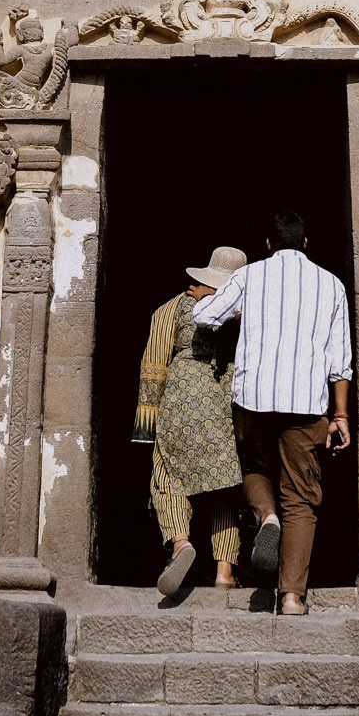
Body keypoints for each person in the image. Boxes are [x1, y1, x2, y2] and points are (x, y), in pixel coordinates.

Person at [193, 211, 352, 615]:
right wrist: (341, 416)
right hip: (307, 406)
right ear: (305, 242)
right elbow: (340, 362)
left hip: (254, 399)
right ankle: (293, 596)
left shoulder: (249, 278)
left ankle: (266, 516)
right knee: (301, 497)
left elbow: (204, 316)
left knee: (253, 468)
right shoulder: (331, 285)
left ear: (267, 245)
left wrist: (244, 315)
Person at [133, 246, 249, 597]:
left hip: (182, 393)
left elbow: (153, 365)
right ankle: (225, 571)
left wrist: (146, 422)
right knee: (225, 485)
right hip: (228, 398)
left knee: (167, 473)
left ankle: (180, 543)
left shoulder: (171, 308)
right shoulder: (246, 313)